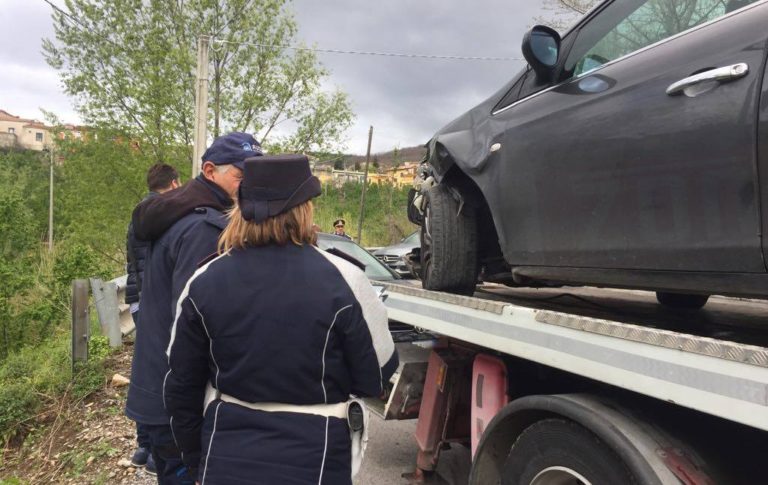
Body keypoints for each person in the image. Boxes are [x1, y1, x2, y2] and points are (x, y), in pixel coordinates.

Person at [164, 154, 398, 485]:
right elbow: (376, 374)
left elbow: (180, 386)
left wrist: (195, 459)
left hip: (225, 454)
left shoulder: (204, 279)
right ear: (305, 209)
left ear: (241, 208)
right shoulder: (345, 278)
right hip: (318, 455)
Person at [125, 132, 262, 485]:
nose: (248, 186)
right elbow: (197, 324)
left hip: (160, 388)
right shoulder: (204, 226)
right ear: (210, 170)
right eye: (241, 177)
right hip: (177, 399)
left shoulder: (180, 212)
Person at [125, 163, 179, 473]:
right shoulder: (166, 215)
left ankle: (143, 446)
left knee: (144, 370)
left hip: (137, 300)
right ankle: (158, 451)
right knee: (164, 372)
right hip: (156, 302)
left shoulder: (137, 215)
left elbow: (132, 260)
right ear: (173, 183)